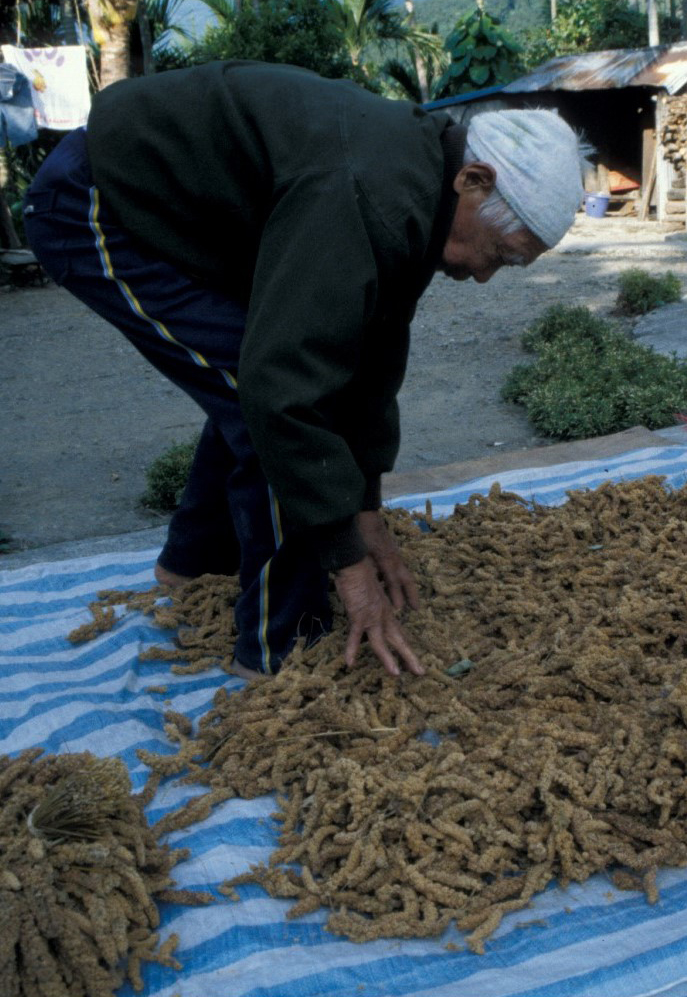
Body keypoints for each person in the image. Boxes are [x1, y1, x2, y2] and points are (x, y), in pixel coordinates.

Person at [23, 60, 586, 680]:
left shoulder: (423, 185)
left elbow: (370, 354)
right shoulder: (368, 189)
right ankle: (284, 647)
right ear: (474, 179)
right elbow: (281, 392)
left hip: (187, 211)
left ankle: (191, 565)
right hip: (98, 203)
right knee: (259, 391)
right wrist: (348, 564)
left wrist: (366, 507)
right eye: (499, 254)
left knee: (263, 365)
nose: (483, 275)